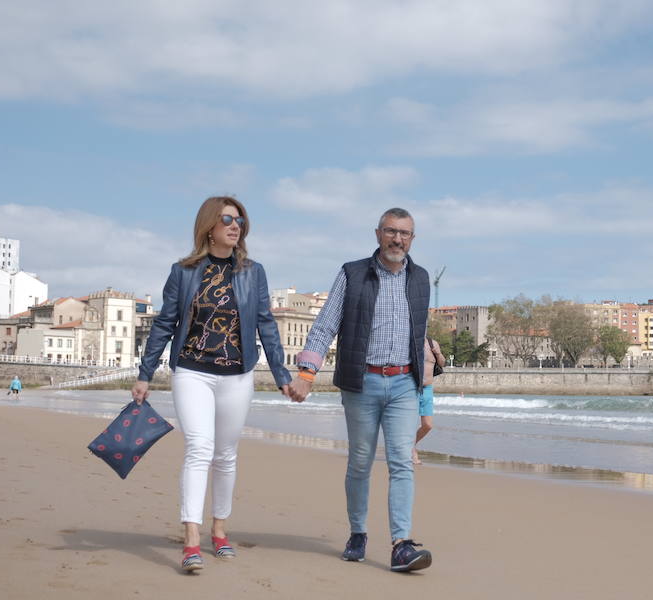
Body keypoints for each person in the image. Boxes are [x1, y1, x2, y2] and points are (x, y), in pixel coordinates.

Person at [132, 197, 294, 572]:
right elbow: (164, 324)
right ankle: (191, 539)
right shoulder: (183, 271)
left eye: (240, 221)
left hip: (237, 374)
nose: (235, 226)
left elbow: (266, 324)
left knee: (226, 454)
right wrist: (145, 373)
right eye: (227, 220)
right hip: (192, 371)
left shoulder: (254, 272)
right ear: (209, 226)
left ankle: (219, 531)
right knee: (199, 448)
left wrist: (282, 375)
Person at [290, 207, 432, 573]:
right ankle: (358, 533)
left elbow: (417, 330)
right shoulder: (352, 273)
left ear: (412, 239)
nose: (397, 239)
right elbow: (325, 325)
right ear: (377, 234)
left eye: (404, 233)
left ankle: (401, 544)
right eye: (390, 231)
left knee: (401, 463)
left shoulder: (421, 279)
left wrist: (430, 364)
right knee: (360, 463)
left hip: (404, 384)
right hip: (362, 383)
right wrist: (306, 373)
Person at [413, 337, 445, 464]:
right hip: (411, 387)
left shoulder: (433, 343)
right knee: (408, 423)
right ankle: (411, 451)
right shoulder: (412, 340)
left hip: (427, 389)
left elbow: (442, 363)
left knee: (428, 425)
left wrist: (437, 353)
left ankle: (411, 444)